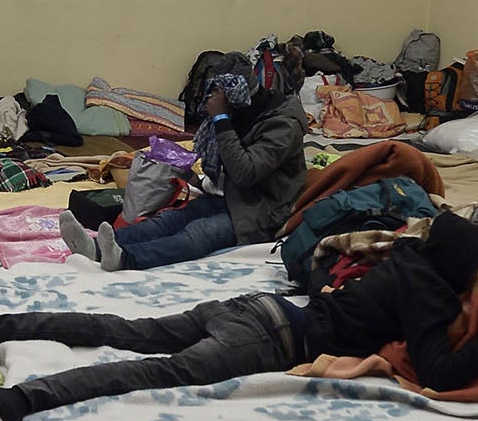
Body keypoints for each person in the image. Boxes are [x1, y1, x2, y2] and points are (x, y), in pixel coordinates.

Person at [0, 209, 478, 421]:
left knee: (122, 329)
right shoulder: (430, 293)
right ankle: (26, 398)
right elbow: (441, 372)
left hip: (250, 305)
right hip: (271, 338)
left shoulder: (402, 256)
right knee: (151, 374)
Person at [59, 60, 306, 271]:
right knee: (168, 221)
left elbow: (245, 172)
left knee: (197, 233)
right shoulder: (244, 113)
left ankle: (125, 259)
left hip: (263, 210)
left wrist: (221, 119)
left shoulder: (283, 125)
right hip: (231, 197)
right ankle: (96, 248)